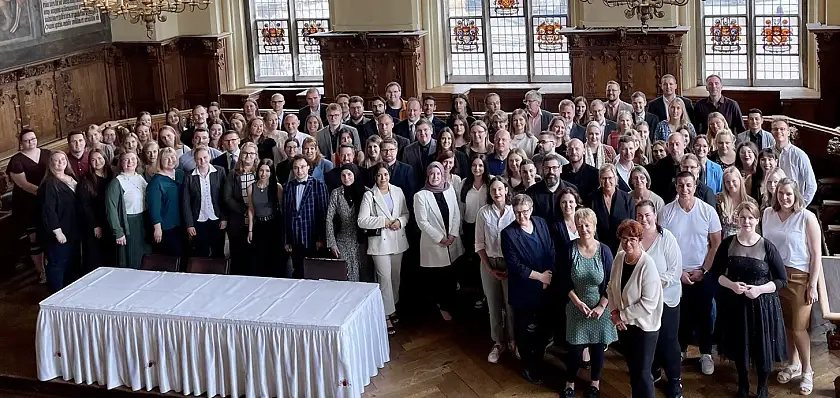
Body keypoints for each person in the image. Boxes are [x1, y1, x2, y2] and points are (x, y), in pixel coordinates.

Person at [713, 201, 788, 398]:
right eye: (743, 217)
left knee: (761, 346)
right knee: (740, 345)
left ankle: (762, 386)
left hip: (762, 305)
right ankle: (743, 383)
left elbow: (781, 280)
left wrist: (759, 290)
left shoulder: (767, 246)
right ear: (737, 219)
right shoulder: (727, 243)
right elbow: (716, 274)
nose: (746, 221)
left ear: (757, 220)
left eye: (750, 217)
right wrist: (732, 285)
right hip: (736, 304)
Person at [658, 172, 722, 375]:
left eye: (688, 185)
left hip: (703, 272)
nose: (684, 189)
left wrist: (703, 270)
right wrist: (678, 273)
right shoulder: (666, 212)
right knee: (680, 315)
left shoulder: (708, 211)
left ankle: (705, 353)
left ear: (695, 186)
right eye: (680, 185)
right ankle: (681, 350)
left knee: (704, 315)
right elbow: (663, 246)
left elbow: (715, 244)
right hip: (676, 273)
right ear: (675, 187)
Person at [762, 178, 822, 395]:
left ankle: (808, 371)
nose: (784, 197)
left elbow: (816, 255)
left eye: (788, 193)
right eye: (780, 193)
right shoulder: (768, 214)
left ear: (796, 194)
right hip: (775, 276)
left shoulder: (806, 217)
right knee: (786, 324)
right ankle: (793, 364)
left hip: (799, 277)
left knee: (799, 327)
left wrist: (812, 285)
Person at [561, 208, 616, 398]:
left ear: (594, 226)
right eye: (580, 225)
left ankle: (595, 382)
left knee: (597, 348)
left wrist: (601, 306)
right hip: (577, 306)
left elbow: (611, 282)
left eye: (587, 225)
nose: (584, 229)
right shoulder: (569, 249)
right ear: (576, 227)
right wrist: (577, 303)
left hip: (600, 308)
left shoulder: (605, 251)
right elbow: (563, 281)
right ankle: (570, 382)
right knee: (575, 350)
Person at [501, 194, 556, 384]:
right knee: (523, 331)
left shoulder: (540, 223)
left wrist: (548, 276)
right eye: (517, 213)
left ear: (531, 210)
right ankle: (527, 367)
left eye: (524, 212)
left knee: (542, 328)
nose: (521, 216)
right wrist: (540, 277)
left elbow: (550, 249)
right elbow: (514, 265)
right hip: (524, 289)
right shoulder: (508, 233)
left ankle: (539, 362)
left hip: (545, 286)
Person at [608, 219, 663, 398]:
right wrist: (614, 312)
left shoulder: (648, 265)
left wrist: (621, 315)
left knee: (643, 373)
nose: (628, 243)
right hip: (625, 325)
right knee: (633, 370)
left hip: (644, 327)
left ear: (640, 240)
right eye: (624, 239)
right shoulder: (619, 258)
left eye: (632, 239)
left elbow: (649, 303)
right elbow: (611, 287)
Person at [635, 200, 683, 398]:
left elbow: (675, 270)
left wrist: (653, 284)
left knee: (668, 340)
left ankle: (674, 380)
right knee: (646, 339)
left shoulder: (667, 237)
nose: (644, 219)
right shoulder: (633, 239)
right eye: (640, 216)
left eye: (648, 215)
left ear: (655, 215)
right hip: (642, 302)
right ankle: (651, 372)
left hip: (667, 298)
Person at [358, 162, 410, 333]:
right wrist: (384, 222)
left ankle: (392, 306)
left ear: (389, 175)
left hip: (397, 240)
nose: (383, 178)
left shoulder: (398, 191)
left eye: (385, 175)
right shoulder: (369, 195)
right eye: (379, 175)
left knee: (395, 277)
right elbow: (362, 220)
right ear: (375, 177)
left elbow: (406, 213)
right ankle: (385, 314)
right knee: (384, 278)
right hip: (379, 244)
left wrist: (400, 222)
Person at [414, 162, 464, 320]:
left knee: (452, 275)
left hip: (452, 240)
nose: (435, 177)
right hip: (434, 243)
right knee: (439, 277)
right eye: (432, 174)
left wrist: (454, 234)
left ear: (443, 175)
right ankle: (442, 306)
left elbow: (456, 212)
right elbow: (422, 222)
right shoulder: (420, 195)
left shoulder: (449, 189)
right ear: (427, 176)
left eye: (438, 174)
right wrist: (440, 238)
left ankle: (452, 303)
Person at [475, 177, 517, 363]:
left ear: (506, 190)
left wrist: (514, 266)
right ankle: (498, 342)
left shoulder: (514, 212)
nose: (497, 193)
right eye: (493, 190)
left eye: (500, 189)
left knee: (511, 305)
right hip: (490, 262)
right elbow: (479, 244)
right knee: (493, 304)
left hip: (511, 264)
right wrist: (489, 268)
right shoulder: (483, 213)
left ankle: (513, 341)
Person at [8, 129, 50, 283]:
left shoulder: (47, 153)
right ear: (21, 143)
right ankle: (41, 271)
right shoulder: (16, 160)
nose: (31, 142)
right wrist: (44, 193)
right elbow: (23, 184)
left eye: (33, 138)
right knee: (35, 239)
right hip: (28, 204)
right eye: (27, 140)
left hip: (47, 202)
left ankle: (49, 265)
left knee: (49, 235)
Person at [38, 151, 80, 293]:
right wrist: (58, 232)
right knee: (57, 263)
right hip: (59, 233)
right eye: (56, 160)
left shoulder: (71, 178)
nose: (60, 162)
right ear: (50, 164)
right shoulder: (50, 183)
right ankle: (56, 294)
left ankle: (68, 294)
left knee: (70, 263)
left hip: (72, 229)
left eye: (63, 159)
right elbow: (48, 210)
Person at [283, 155, 329, 279]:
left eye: (302, 167)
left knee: (313, 272)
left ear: (308, 167)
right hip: (295, 238)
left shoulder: (318, 186)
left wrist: (321, 238)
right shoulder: (287, 187)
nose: (299, 171)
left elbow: (323, 214)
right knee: (297, 271)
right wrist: (287, 240)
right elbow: (286, 215)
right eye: (296, 168)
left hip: (312, 237)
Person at [106, 152, 152, 269]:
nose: (130, 162)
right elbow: (111, 209)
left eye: (133, 159)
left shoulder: (140, 177)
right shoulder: (116, 182)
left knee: (146, 255)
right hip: (129, 223)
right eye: (126, 160)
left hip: (143, 221)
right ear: (121, 163)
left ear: (137, 161)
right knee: (132, 257)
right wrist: (118, 231)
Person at [182, 146, 227, 258]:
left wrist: (224, 218)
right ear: (195, 160)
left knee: (218, 252)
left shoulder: (220, 171)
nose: (202, 161)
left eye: (205, 157)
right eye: (199, 159)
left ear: (210, 156)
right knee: (201, 252)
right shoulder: (189, 176)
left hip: (217, 219)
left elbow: (224, 197)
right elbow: (185, 202)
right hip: (198, 220)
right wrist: (189, 224)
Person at [77, 148, 116, 272]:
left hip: (110, 220)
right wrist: (95, 225)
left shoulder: (112, 174)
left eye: (99, 158)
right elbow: (85, 205)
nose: (97, 162)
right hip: (95, 222)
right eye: (93, 160)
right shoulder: (86, 181)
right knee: (96, 256)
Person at [326, 164, 365, 282]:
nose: (346, 178)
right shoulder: (336, 193)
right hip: (342, 240)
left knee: (363, 273)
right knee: (346, 275)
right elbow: (329, 218)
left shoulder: (365, 192)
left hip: (362, 241)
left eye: (349, 174)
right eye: (343, 175)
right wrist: (332, 243)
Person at [223, 142, 258, 275]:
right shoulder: (233, 174)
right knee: (238, 256)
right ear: (241, 155)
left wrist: (253, 212)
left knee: (254, 256)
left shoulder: (260, 172)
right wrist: (244, 211)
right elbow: (227, 197)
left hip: (256, 220)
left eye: (251, 153)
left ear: (256, 156)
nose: (248, 156)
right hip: (237, 220)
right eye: (245, 153)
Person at [145, 147, 185, 257]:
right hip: (166, 227)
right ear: (160, 161)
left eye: (173, 157)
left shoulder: (181, 174)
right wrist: (157, 229)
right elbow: (154, 207)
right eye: (166, 158)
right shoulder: (156, 181)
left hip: (181, 223)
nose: (170, 160)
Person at [247, 159, 283, 277]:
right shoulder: (251, 187)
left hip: (274, 225)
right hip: (259, 226)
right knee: (258, 260)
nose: (264, 173)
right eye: (261, 170)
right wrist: (250, 230)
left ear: (271, 172)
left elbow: (282, 208)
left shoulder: (277, 187)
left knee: (274, 259)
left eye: (267, 171)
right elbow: (251, 209)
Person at [590, 164, 635, 254]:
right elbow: (591, 225)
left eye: (610, 178)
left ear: (616, 179)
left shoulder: (627, 198)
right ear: (599, 180)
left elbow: (632, 223)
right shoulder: (592, 199)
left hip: (623, 247)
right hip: (599, 248)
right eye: (604, 178)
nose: (607, 181)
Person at [772, 118, 817, 206]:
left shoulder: (799, 155)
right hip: (774, 203)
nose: (778, 131)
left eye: (782, 129)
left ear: (788, 132)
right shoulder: (768, 152)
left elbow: (811, 184)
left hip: (793, 204)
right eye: (775, 129)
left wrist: (801, 205)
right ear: (771, 132)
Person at [717, 166, 757, 238]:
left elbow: (756, 228)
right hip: (724, 243)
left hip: (745, 242)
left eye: (734, 181)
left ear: (740, 180)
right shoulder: (718, 200)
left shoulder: (751, 202)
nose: (731, 184)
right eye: (727, 182)